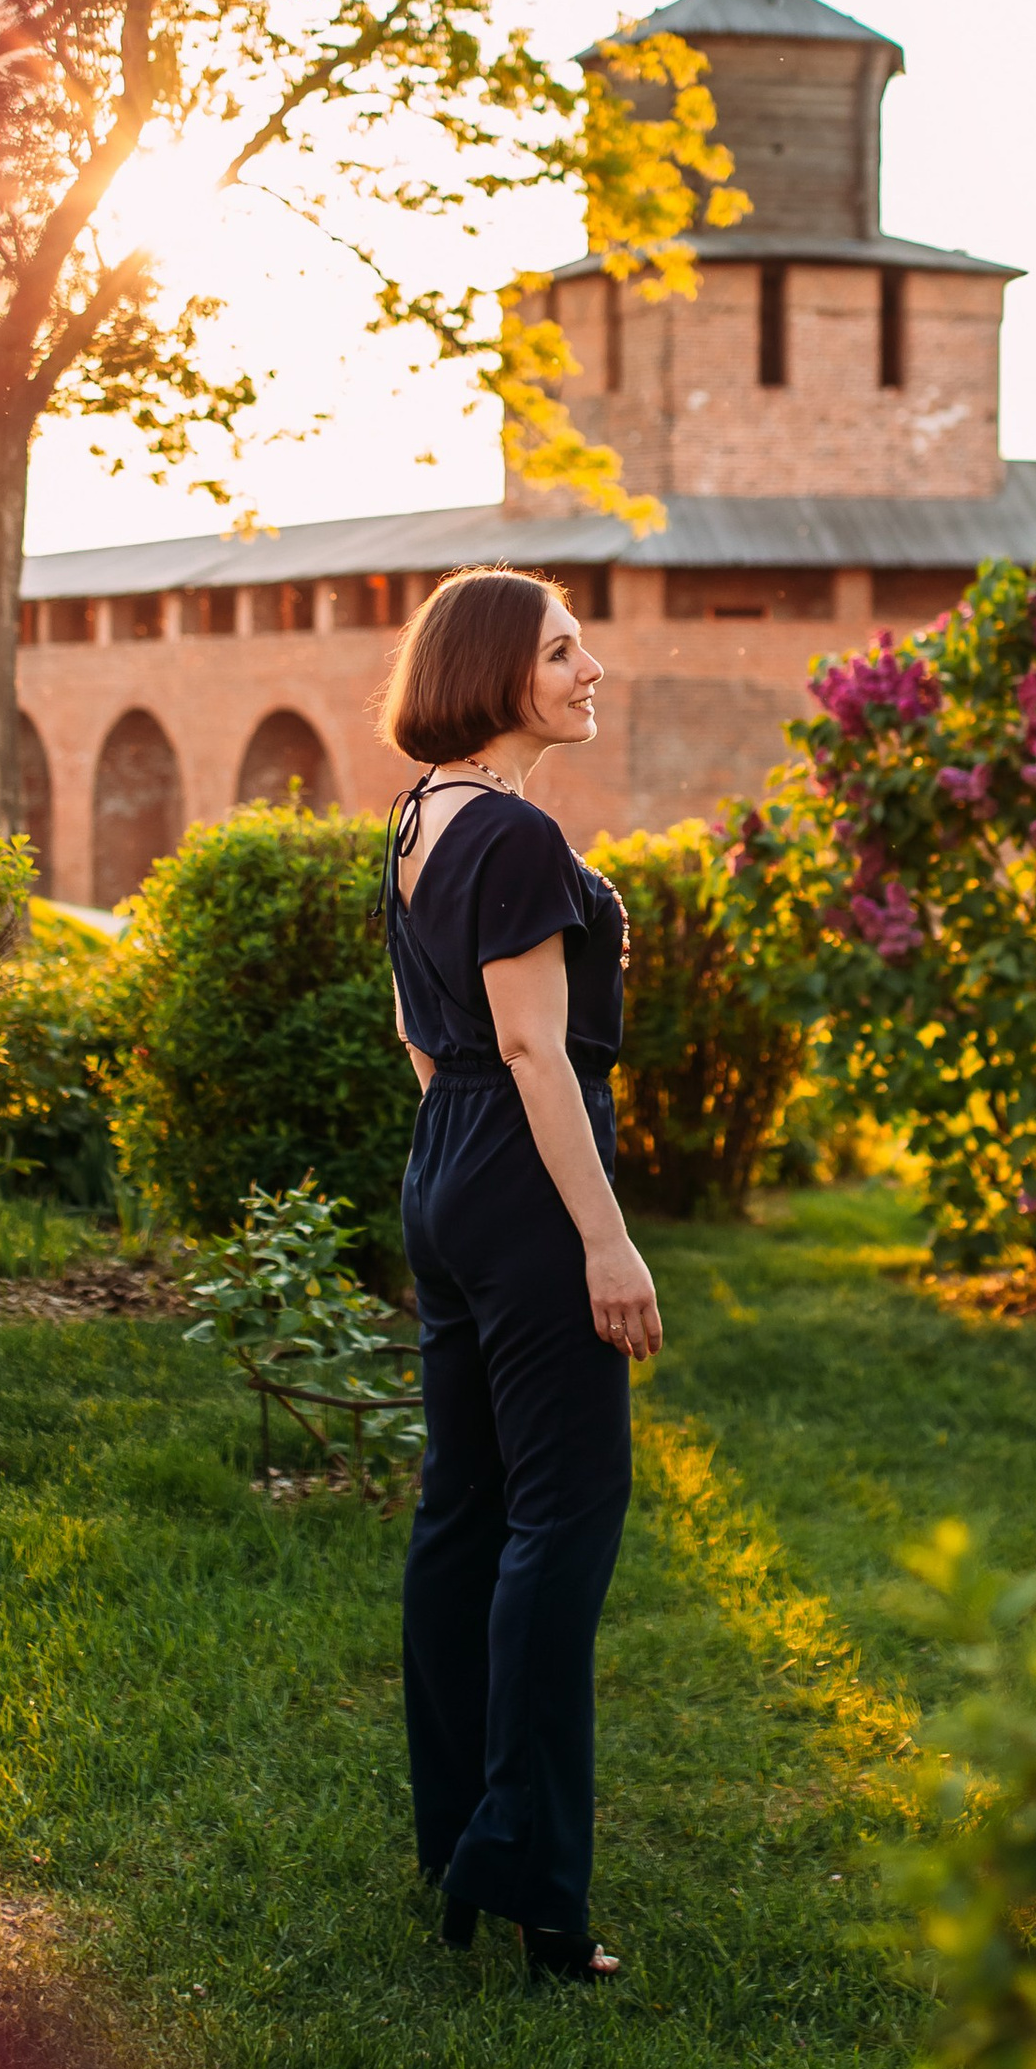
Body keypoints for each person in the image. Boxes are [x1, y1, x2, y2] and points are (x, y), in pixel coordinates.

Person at [379, 565, 662, 1983]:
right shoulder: (515, 838)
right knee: (564, 1521)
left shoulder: (420, 820)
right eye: (560, 651)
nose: (587, 666)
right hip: (529, 1179)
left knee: (467, 1510)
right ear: (499, 674)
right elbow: (542, 1049)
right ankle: (541, 1890)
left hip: (448, 1165)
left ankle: (457, 1845)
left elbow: (420, 1036)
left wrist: (462, 1147)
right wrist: (603, 1240)